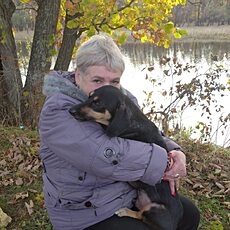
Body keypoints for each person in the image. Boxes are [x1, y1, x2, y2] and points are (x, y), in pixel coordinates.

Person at [39, 34, 200, 230]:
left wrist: (175, 153)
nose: (107, 88)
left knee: (189, 214)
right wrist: (163, 162)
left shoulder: (120, 99)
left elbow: (146, 131)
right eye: (97, 79)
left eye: (114, 81)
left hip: (125, 194)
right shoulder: (59, 111)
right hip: (86, 211)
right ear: (78, 75)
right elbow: (104, 153)